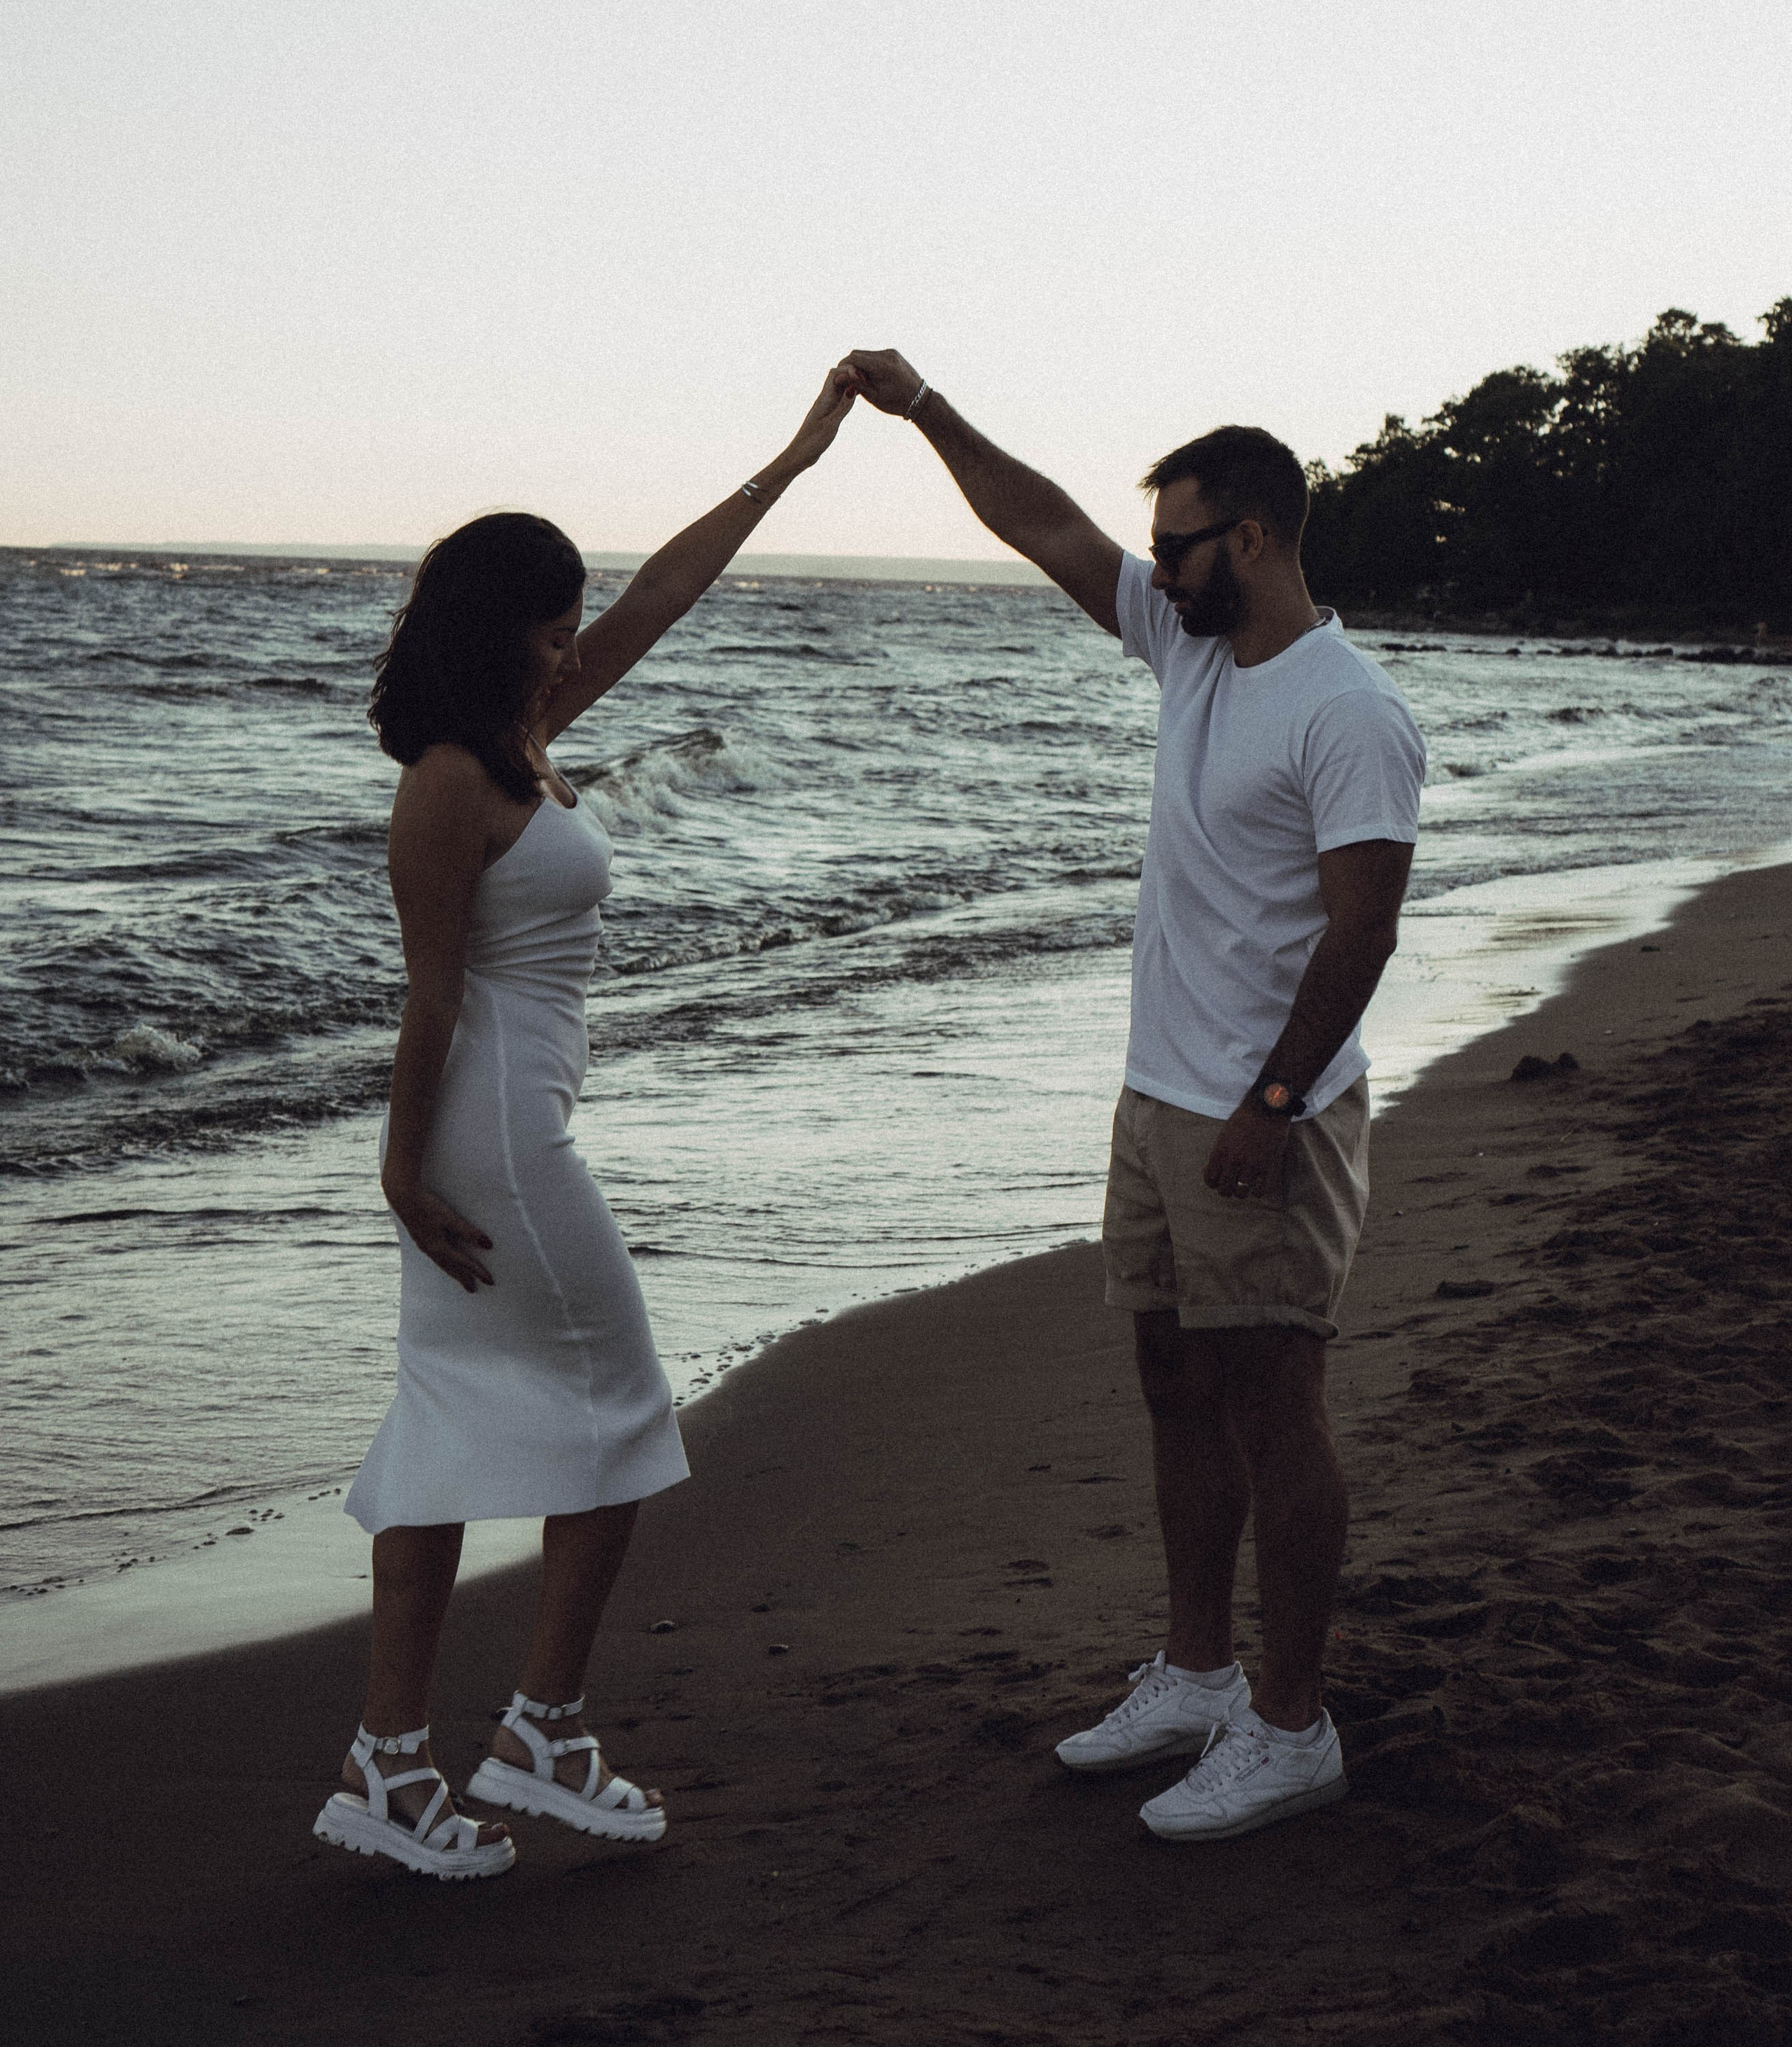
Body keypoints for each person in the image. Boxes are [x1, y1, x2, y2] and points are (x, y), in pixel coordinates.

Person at [839, 350, 1424, 1844]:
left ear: (1255, 538)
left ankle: (1289, 1729)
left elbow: (1361, 928)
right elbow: (1037, 525)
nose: (1151, 570)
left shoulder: (1345, 710)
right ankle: (1194, 1673)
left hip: (1263, 1114)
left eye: (1176, 544)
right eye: (1153, 547)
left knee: (1272, 1399)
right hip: (1157, 1097)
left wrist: (1274, 1100)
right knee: (1172, 1381)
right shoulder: (1190, 651)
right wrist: (926, 414)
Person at [313, 370, 855, 1880]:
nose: (575, 635)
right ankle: (530, 1734)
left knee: (444, 1435)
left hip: (506, 1120)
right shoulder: (443, 783)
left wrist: (794, 456)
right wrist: (398, 1165)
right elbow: (428, 1002)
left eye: (574, 618)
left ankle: (395, 1764)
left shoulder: (527, 733)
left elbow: (668, 595)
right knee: (620, 1416)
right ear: (497, 625)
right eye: (553, 618)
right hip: (494, 1140)